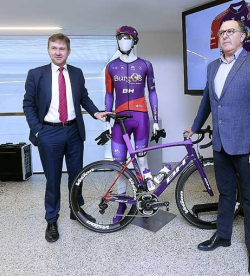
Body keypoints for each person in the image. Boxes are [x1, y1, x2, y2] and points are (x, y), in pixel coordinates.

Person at [184, 20, 250, 276]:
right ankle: (222, 236)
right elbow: (207, 102)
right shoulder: (213, 66)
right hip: (221, 143)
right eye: (222, 32)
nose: (225, 36)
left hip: (248, 147)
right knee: (225, 194)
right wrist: (194, 127)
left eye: (230, 31)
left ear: (242, 36)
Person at [23, 33, 110, 243]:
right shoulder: (36, 74)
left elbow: (83, 98)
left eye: (62, 48)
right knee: (52, 179)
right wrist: (38, 131)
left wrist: (96, 113)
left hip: (73, 132)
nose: (58, 52)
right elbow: (28, 105)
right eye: (54, 48)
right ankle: (51, 220)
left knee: (76, 176)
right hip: (48, 133)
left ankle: (75, 210)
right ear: (48, 50)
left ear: (68, 51)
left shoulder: (77, 73)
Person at [102, 26, 164, 223]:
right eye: (120, 38)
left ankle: (144, 200)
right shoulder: (111, 67)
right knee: (119, 164)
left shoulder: (146, 65)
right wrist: (107, 122)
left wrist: (155, 120)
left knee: (142, 160)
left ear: (134, 41)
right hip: (119, 119)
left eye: (127, 38)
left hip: (141, 118)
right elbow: (109, 94)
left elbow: (152, 92)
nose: (123, 41)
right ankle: (121, 203)